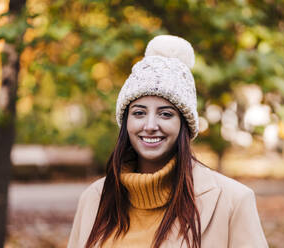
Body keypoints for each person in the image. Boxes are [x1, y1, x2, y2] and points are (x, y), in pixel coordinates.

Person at [67, 35, 268, 248]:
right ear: (126, 122)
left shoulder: (233, 201)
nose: (150, 125)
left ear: (184, 124)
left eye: (165, 114)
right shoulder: (95, 198)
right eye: (139, 113)